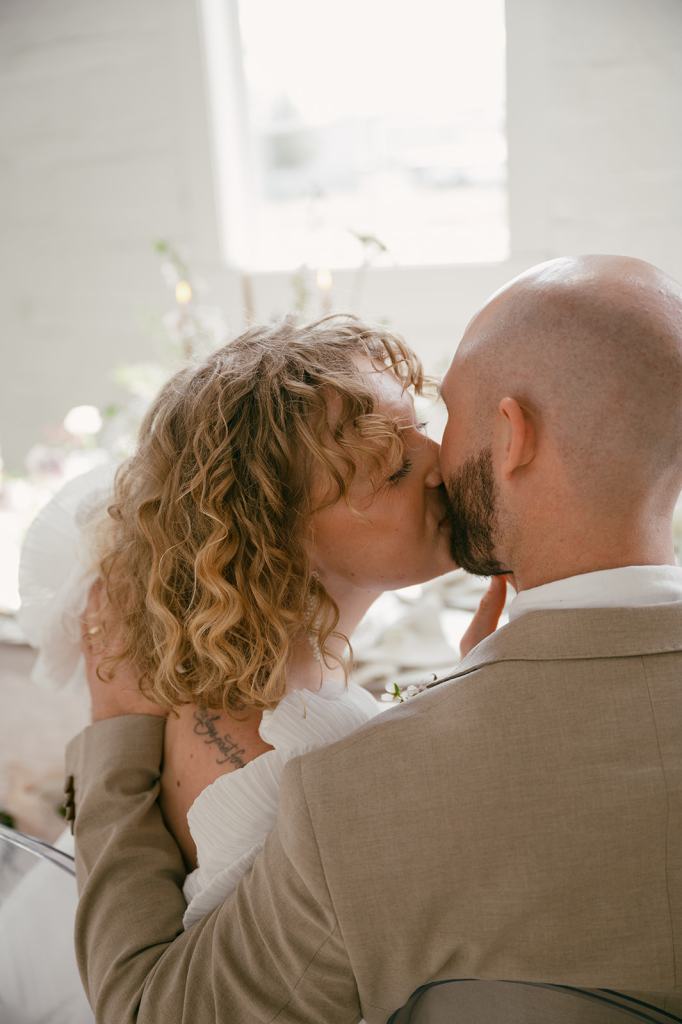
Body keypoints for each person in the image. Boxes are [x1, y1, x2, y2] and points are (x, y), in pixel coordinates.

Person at [67, 254, 682, 1022]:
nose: (432, 461)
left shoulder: (363, 797)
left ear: (511, 437)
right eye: (394, 463)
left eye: (441, 420)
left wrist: (112, 739)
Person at [5, 315, 499, 1024]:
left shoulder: (238, 688)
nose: (439, 462)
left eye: (419, 428)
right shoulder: (288, 746)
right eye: (392, 468)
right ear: (274, 537)